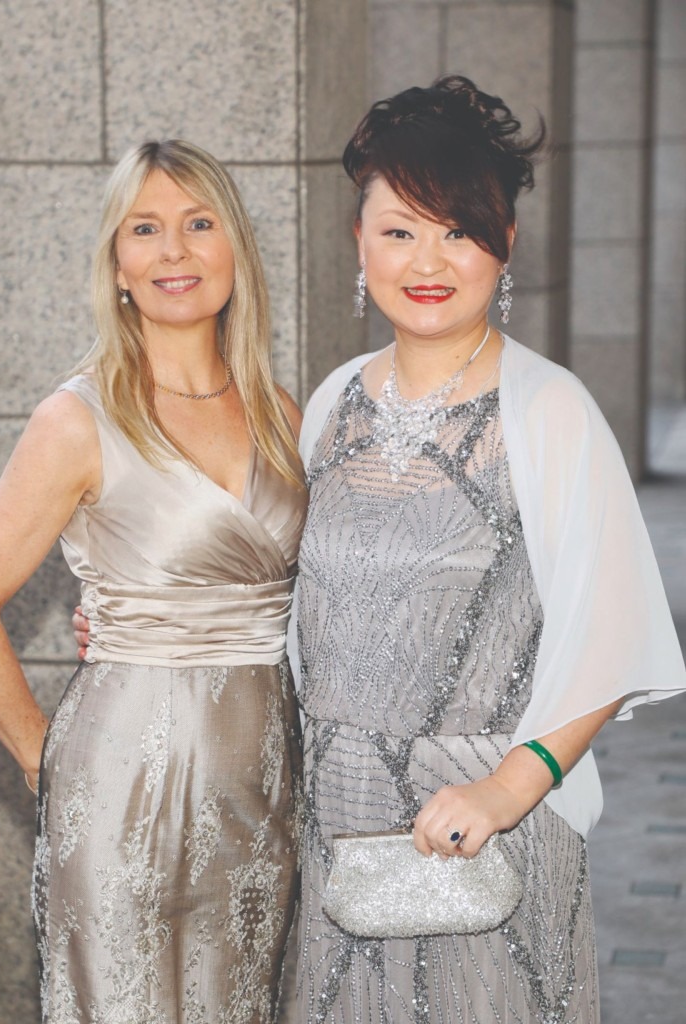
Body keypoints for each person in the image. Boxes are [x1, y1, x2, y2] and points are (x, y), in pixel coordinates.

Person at [287, 76, 686, 1023]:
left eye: (459, 231)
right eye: (400, 230)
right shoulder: (332, 402)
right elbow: (291, 598)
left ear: (504, 240)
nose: (428, 261)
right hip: (334, 816)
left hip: (482, 830)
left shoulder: (548, 410)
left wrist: (508, 790)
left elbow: (615, 632)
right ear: (358, 240)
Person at [0, 139, 308, 1023]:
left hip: (261, 795)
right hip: (119, 795)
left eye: (198, 223)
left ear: (235, 247)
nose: (174, 250)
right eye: (144, 229)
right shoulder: (77, 420)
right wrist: (50, 764)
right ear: (117, 266)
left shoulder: (283, 416)